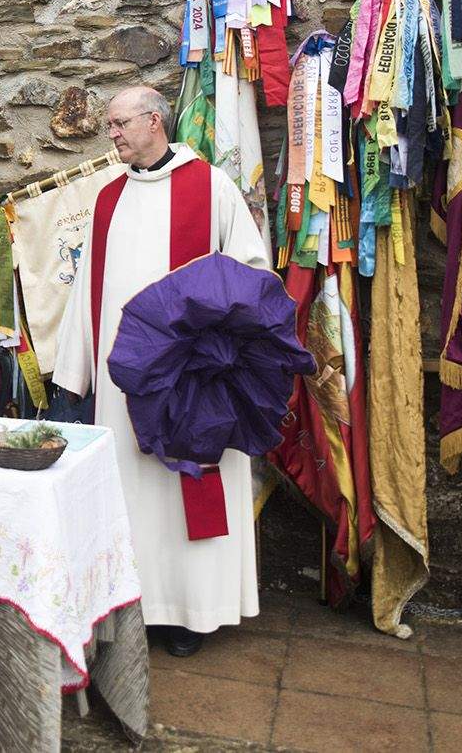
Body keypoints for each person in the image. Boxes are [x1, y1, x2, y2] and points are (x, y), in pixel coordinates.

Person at [53, 85, 271, 658]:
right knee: (132, 493)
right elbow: (86, 294)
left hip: (193, 378)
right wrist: (78, 372)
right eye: (109, 124)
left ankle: (192, 613)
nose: (113, 133)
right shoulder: (107, 198)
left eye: (121, 123)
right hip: (124, 379)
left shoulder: (211, 188)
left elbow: (250, 271)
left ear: (155, 121)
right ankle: (136, 605)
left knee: (187, 486)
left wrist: (215, 346)